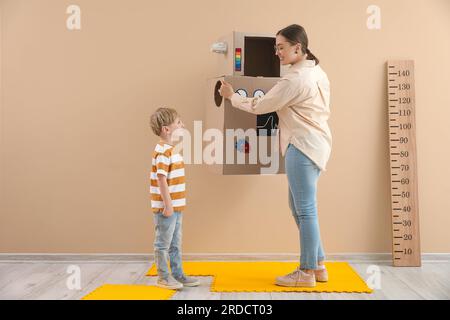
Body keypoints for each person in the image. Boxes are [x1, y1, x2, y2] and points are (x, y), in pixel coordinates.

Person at [219, 24, 332, 287]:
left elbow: (262, 105)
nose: (277, 52)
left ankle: (306, 273)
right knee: (301, 208)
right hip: (317, 142)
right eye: (276, 47)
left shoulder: (294, 79)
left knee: (305, 210)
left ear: (298, 47)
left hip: (302, 146)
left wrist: (232, 96)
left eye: (281, 47)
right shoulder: (316, 71)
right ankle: (318, 266)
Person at [149, 107, 200, 289]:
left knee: (175, 242)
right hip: (167, 207)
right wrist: (168, 204)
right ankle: (163, 277)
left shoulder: (171, 149)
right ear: (166, 129)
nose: (182, 125)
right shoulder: (163, 151)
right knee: (163, 243)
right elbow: (161, 179)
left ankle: (178, 274)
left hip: (176, 206)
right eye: (178, 122)